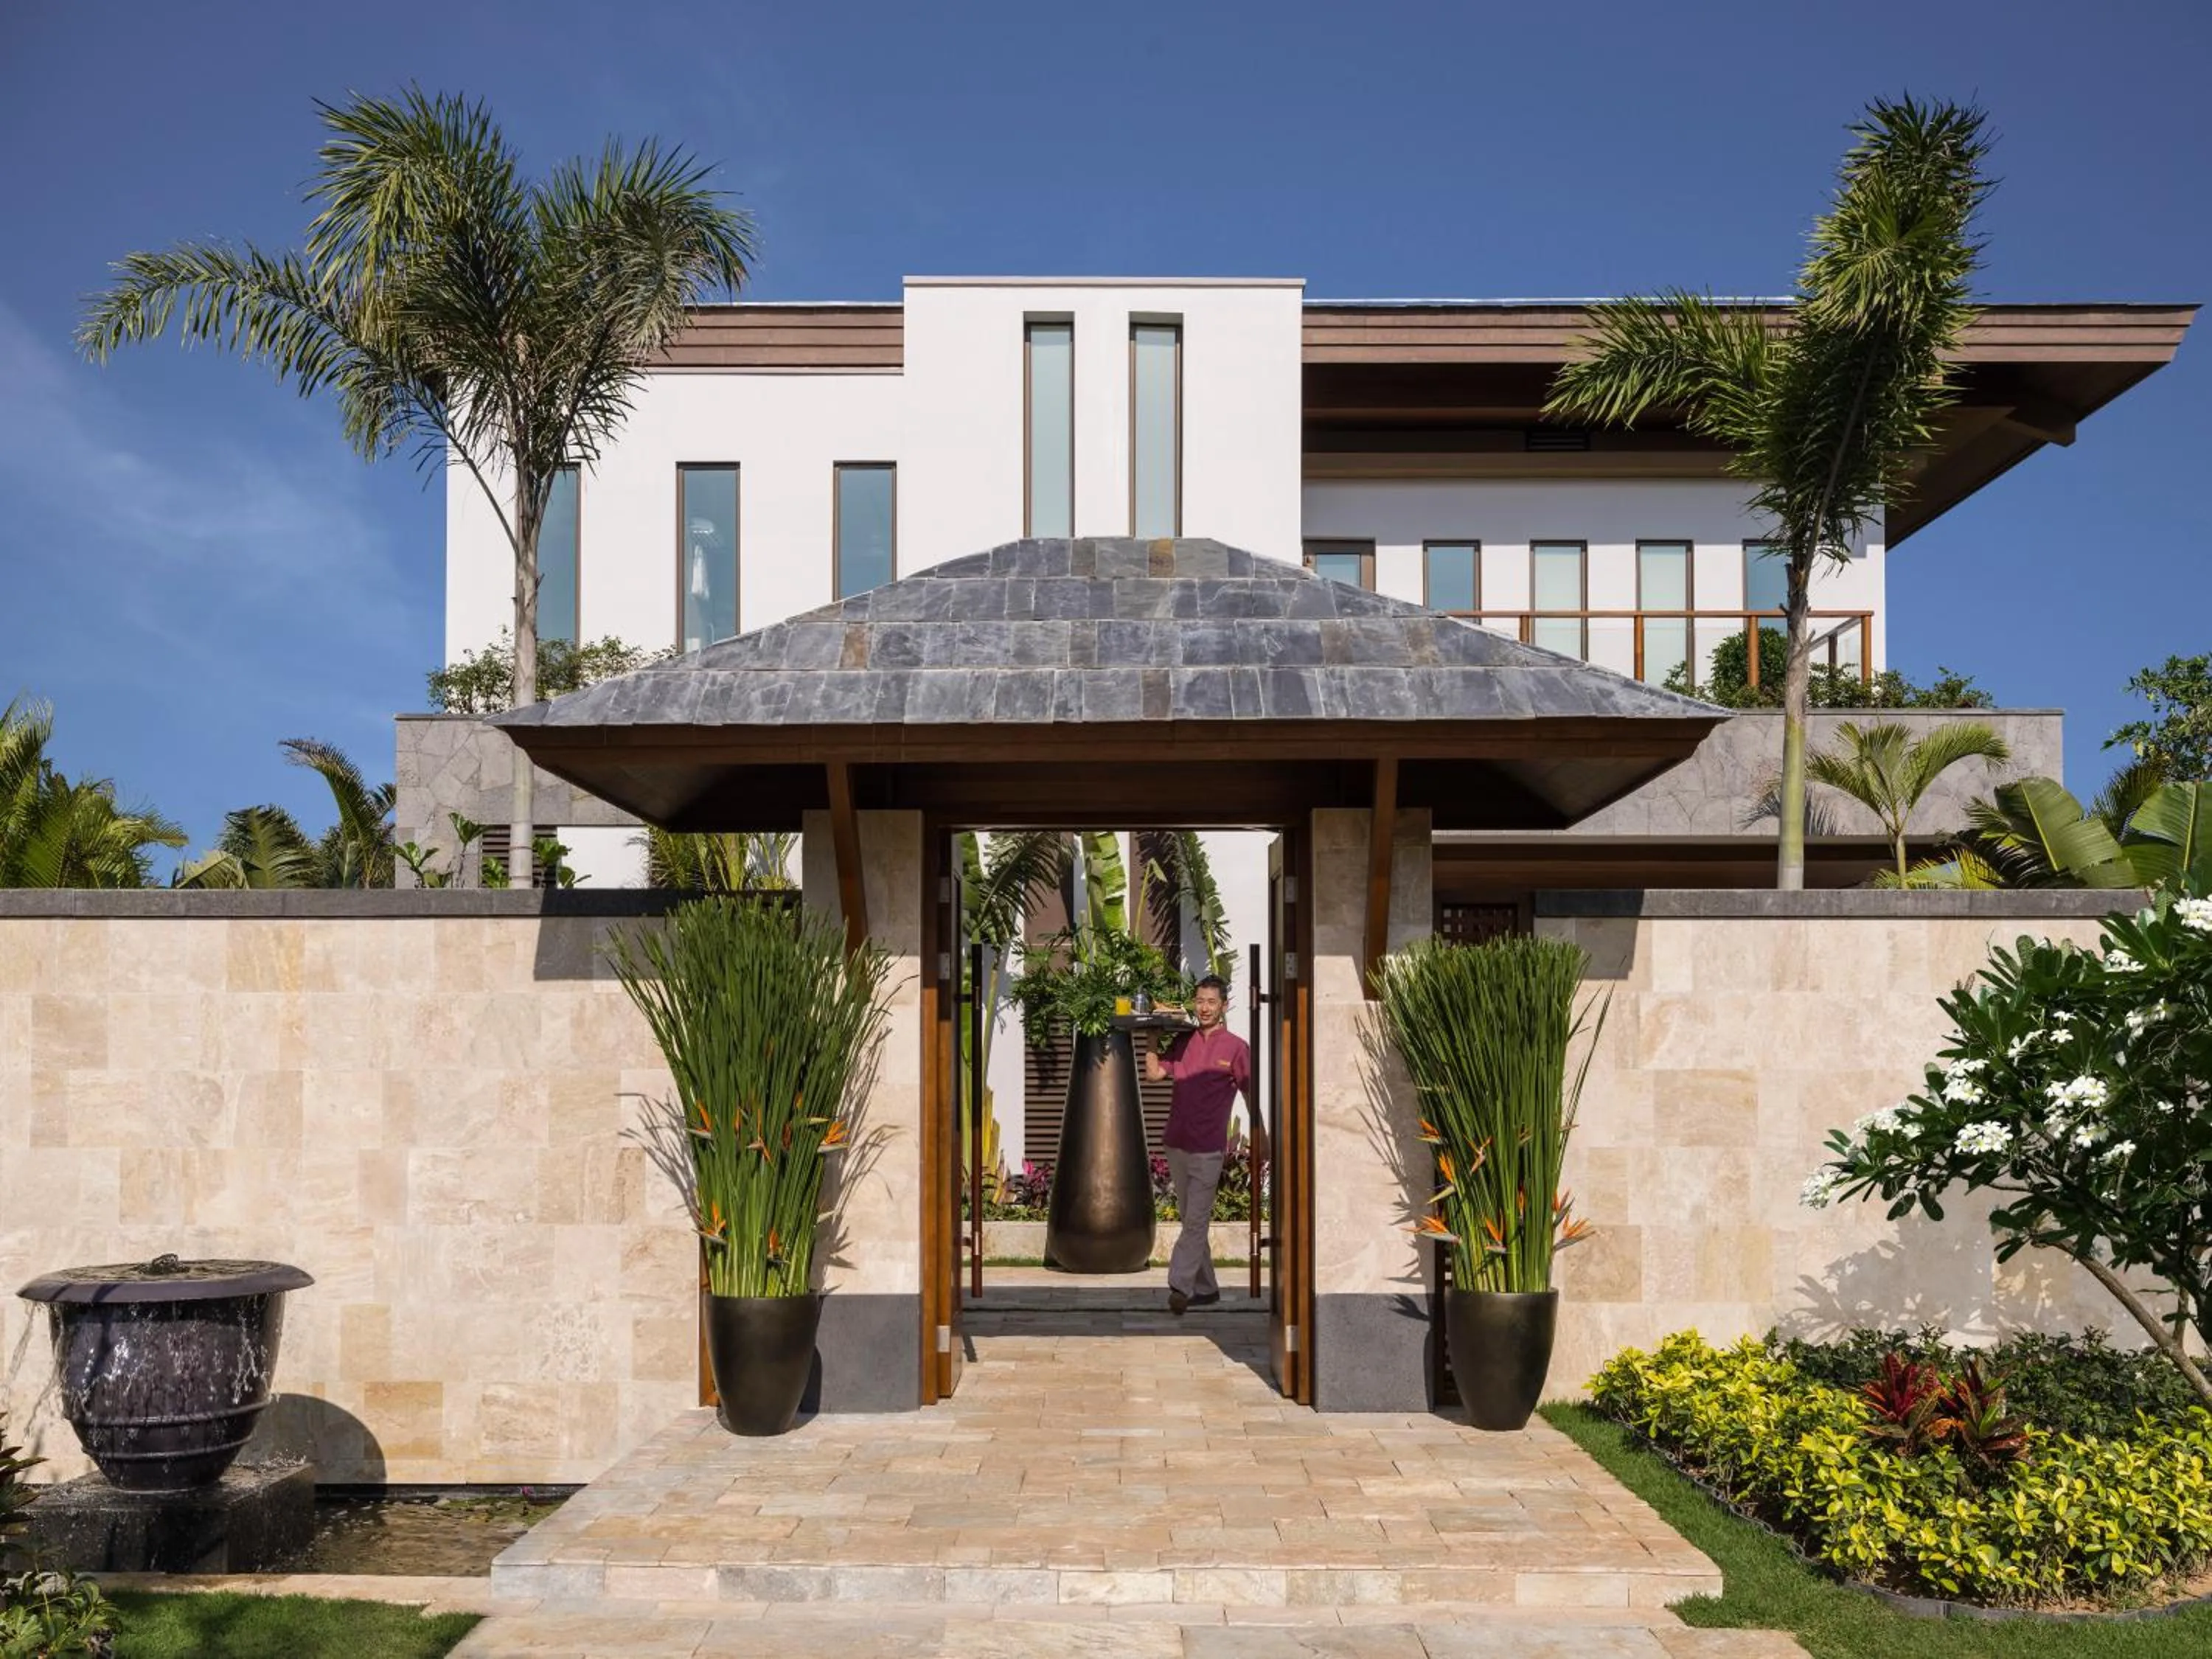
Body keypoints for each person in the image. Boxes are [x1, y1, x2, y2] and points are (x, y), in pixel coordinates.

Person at [1143, 973, 1253, 1315]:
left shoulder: (1236, 1047)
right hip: (1176, 1142)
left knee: (1195, 1221)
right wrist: (1151, 1041)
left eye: (1211, 1002)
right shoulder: (1184, 1041)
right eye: (1200, 1001)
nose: (1204, 1008)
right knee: (1193, 1218)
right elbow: (1154, 1074)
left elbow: (1251, 1092)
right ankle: (1207, 1289)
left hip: (1208, 1148)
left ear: (1223, 1005)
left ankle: (1180, 1285)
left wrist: (1261, 1131)